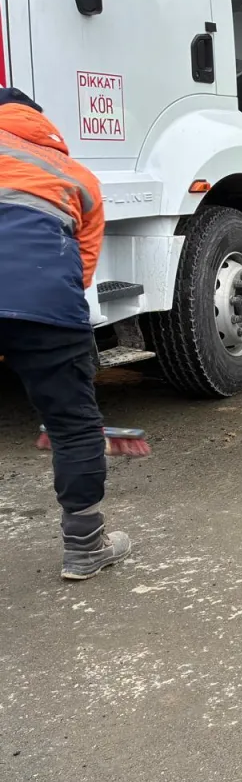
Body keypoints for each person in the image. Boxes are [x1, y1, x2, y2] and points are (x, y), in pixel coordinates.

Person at [0, 87, 131, 580]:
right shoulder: (78, 177)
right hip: (47, 304)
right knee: (73, 427)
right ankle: (85, 547)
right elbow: (84, 267)